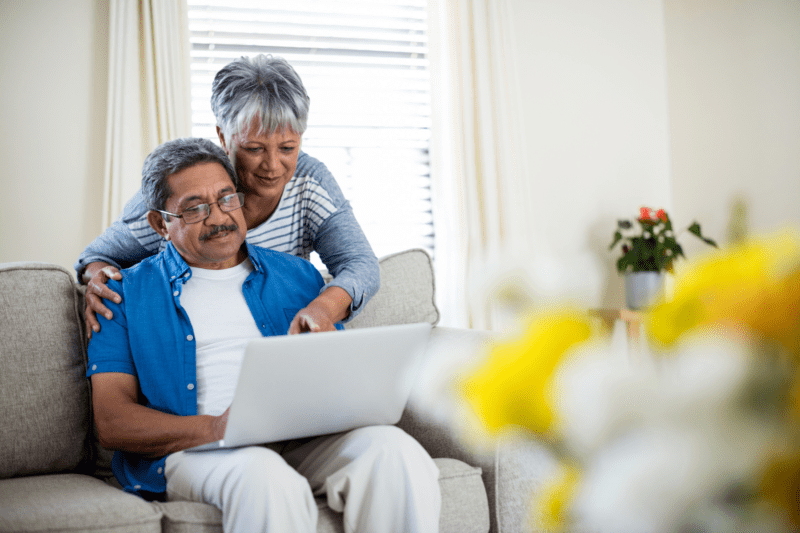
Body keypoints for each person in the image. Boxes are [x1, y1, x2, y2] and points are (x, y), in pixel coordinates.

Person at [87, 137, 441, 532]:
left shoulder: (298, 275)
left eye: (227, 198)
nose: (218, 217)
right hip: (200, 450)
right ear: (160, 224)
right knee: (265, 477)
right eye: (195, 208)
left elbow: (336, 373)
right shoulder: (122, 294)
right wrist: (215, 428)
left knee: (396, 452)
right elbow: (112, 421)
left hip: (304, 438)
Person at [77, 54, 379, 338]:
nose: (273, 166)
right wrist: (101, 281)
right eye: (254, 148)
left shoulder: (310, 182)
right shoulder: (182, 190)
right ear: (223, 136)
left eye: (288, 148)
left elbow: (360, 264)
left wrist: (322, 309)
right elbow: (96, 257)